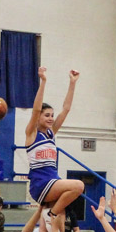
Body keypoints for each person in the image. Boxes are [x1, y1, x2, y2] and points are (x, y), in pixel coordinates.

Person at [25, 68, 85, 218]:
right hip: (41, 184)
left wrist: (72, 83)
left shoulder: (51, 133)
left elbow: (66, 109)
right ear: (38, 117)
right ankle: (51, 214)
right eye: (47, 115)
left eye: (52, 115)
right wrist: (43, 81)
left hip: (53, 181)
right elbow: (36, 109)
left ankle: (50, 218)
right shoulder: (32, 133)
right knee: (79, 186)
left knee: (59, 223)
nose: (51, 118)